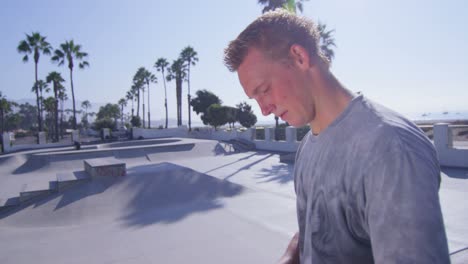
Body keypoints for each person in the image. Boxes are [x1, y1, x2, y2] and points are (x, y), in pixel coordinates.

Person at [223, 9, 450, 264]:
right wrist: (290, 258)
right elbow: (321, 230)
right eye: (255, 99)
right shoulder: (308, 147)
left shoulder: (391, 148)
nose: (264, 109)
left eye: (264, 90)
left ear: (299, 57)